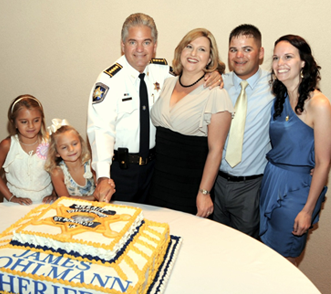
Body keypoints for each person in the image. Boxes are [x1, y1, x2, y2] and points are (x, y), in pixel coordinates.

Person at [87, 13, 221, 204]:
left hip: (154, 172)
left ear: (155, 45)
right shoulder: (109, 81)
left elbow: (192, 73)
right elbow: (101, 131)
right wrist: (102, 176)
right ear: (123, 44)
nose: (140, 49)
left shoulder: (163, 71)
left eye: (147, 42)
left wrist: (214, 74)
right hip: (121, 173)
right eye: (133, 42)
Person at [259, 35, 331, 264]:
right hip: (271, 183)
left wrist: (307, 210)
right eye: (275, 57)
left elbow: (323, 164)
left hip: (297, 191)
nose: (279, 63)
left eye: (288, 57)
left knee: (284, 263)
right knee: (266, 258)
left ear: (303, 62)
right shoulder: (279, 99)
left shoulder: (318, 104)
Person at [148, 28, 233, 217]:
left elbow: (216, 150)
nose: (194, 54)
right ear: (180, 51)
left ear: (210, 58)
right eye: (189, 47)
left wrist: (204, 193)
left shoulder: (216, 94)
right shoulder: (166, 83)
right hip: (156, 184)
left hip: (188, 188)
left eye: (202, 50)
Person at [213, 24, 274, 238]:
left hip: (251, 187)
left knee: (245, 249)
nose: (239, 56)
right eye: (233, 50)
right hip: (215, 183)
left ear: (261, 53)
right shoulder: (218, 83)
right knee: (213, 244)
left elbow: (305, 111)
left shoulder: (276, 85)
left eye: (247, 49)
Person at [0, 94, 55, 204]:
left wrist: (54, 192)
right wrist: (11, 197)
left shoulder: (50, 142)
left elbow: (59, 170)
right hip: (15, 204)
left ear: (42, 119)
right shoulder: (7, 146)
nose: (31, 126)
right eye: (24, 122)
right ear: (14, 122)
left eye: (36, 120)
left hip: (46, 202)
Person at [45, 119, 102, 200]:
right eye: (64, 147)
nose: (71, 149)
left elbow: (101, 190)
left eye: (74, 144)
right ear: (56, 152)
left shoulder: (91, 164)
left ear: (81, 143)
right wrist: (93, 197)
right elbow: (65, 200)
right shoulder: (57, 173)